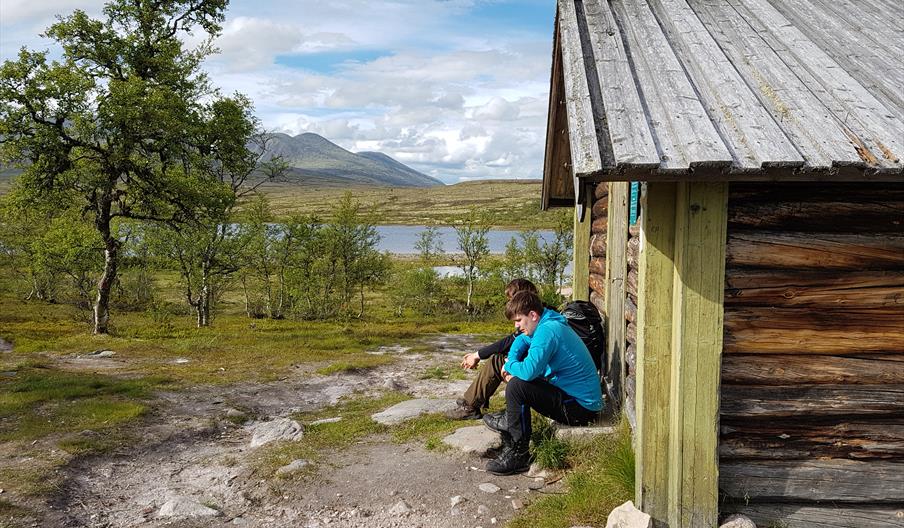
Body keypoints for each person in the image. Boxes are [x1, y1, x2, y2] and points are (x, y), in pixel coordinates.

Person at [484, 290, 603, 475]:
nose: (516, 326)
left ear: (532, 315)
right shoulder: (548, 321)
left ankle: (519, 454)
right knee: (521, 380)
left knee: (518, 386)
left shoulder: (547, 331)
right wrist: (511, 359)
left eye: (518, 320)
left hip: (581, 409)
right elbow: (521, 339)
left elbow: (529, 371)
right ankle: (511, 422)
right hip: (577, 400)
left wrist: (511, 366)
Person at [445, 278, 539, 420]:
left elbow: (508, 343)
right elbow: (512, 342)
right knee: (499, 358)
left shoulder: (533, 317)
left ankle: (470, 406)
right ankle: (471, 402)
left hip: (539, 373)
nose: (509, 303)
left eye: (511, 298)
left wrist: (478, 355)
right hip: (535, 367)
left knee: (497, 360)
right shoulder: (539, 313)